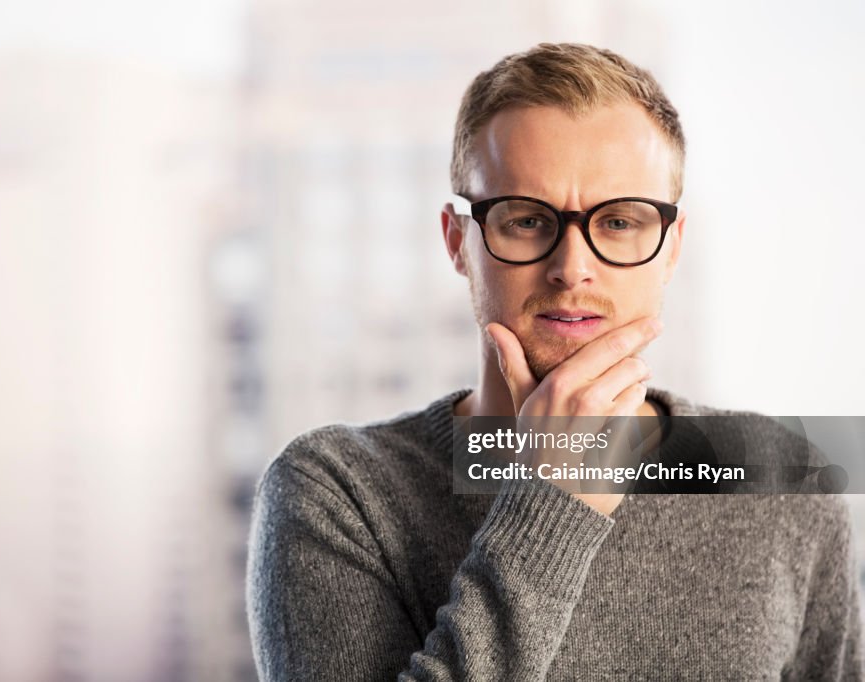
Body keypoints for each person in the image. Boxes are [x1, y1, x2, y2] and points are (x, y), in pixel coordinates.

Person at [245, 43, 864, 679]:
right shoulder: (336, 492)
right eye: (526, 221)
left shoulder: (785, 483)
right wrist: (555, 498)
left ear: (673, 248)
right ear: (459, 242)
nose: (572, 267)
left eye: (621, 221)